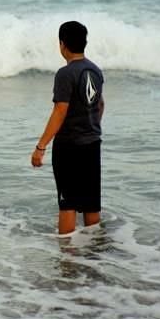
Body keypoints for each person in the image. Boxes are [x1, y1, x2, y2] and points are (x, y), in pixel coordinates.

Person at [31, 21, 105, 236]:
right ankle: (93, 254)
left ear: (62, 44)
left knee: (68, 203)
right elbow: (100, 105)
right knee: (91, 203)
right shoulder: (95, 70)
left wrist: (41, 146)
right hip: (93, 143)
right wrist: (90, 127)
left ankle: (68, 261)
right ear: (84, 43)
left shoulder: (65, 73)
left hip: (69, 147)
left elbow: (60, 111)